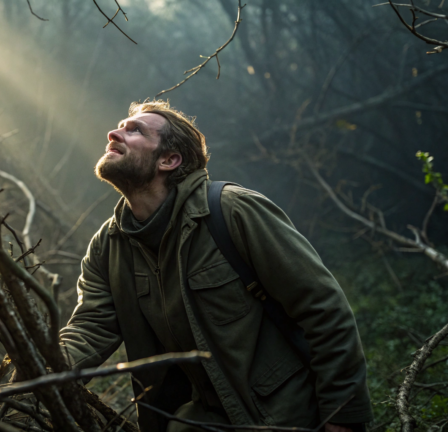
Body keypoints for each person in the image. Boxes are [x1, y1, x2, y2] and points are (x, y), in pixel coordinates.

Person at [59, 100, 373, 432]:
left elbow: (324, 311)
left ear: (169, 160)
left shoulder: (233, 211)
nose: (113, 133)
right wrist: (28, 370)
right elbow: (89, 329)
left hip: (289, 418)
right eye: (120, 126)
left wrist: (342, 418)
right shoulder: (108, 247)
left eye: (134, 130)